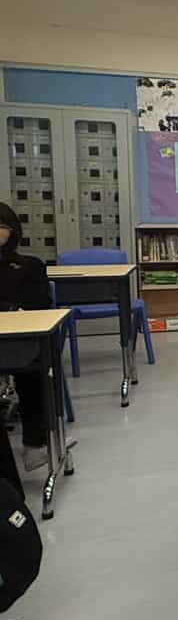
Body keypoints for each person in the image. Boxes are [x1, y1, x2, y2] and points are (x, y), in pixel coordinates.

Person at [0, 203, 67, 478]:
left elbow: (38, 305)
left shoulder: (29, 265)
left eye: (1, 226)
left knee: (33, 370)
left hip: (19, 343)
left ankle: (35, 443)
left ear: (12, 231)